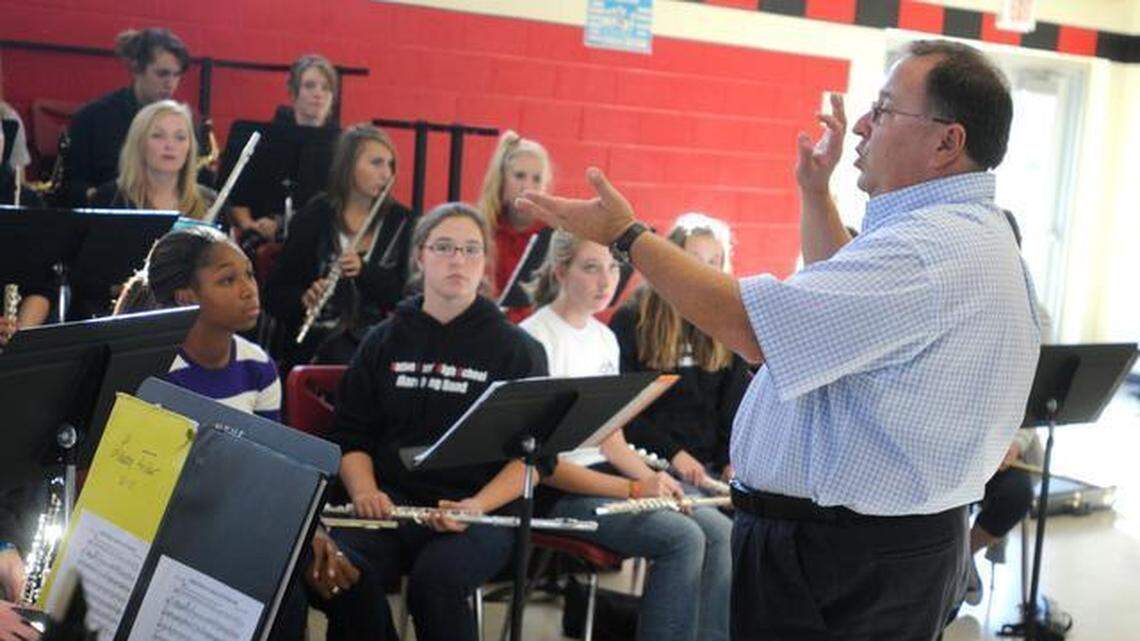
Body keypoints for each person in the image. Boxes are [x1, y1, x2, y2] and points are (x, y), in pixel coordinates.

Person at [518, 39, 1041, 640]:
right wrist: (816, 193)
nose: (865, 124)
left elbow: (752, 327)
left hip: (841, 559)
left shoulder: (924, 249)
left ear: (947, 142)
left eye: (886, 109)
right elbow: (843, 330)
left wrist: (627, 235)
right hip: (888, 544)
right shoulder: (969, 234)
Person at [112, 226, 382, 641]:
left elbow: (277, 473)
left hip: (250, 526)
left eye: (249, 275)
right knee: (283, 602)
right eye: (227, 280)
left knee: (355, 582)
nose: (248, 289)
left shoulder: (257, 364)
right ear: (187, 296)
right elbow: (150, 490)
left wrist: (311, 536)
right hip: (179, 531)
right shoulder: (156, 370)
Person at [326, 202, 548, 641]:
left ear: (485, 262)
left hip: (478, 513)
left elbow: (537, 460)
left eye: (471, 249)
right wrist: (365, 491)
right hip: (390, 506)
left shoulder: (517, 349)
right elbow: (351, 435)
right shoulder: (382, 340)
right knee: (340, 570)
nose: (457, 260)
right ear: (420, 256)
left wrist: (477, 506)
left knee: (437, 582)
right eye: (444, 247)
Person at [521, 231, 731, 641]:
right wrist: (635, 487)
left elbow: (611, 439)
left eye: (613, 267)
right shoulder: (534, 339)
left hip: (612, 481)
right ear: (561, 271)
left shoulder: (602, 338)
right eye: (591, 267)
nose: (606, 280)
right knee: (684, 539)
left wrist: (658, 482)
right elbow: (545, 466)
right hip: (563, 493)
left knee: (722, 531)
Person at [609, 214, 751, 487]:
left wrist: (729, 461)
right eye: (694, 260)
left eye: (714, 262)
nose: (705, 271)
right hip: (652, 465)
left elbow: (733, 407)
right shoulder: (631, 319)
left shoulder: (727, 323)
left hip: (709, 469)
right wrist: (674, 455)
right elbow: (625, 412)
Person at [265, 124, 413, 369]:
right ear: (349, 165)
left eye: (390, 165)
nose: (386, 174)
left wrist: (365, 272)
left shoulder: (403, 222)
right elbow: (275, 294)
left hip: (382, 344)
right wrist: (304, 298)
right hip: (317, 343)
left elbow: (408, 296)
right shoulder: (315, 216)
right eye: (376, 163)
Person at [65, 28, 191, 206]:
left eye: (176, 75)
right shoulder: (93, 117)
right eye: (162, 74)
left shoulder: (183, 122)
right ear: (136, 68)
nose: (170, 83)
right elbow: (71, 187)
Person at [230, 54, 340, 244]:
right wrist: (251, 225)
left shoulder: (342, 146)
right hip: (267, 240)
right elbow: (239, 197)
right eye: (309, 86)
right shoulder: (266, 140)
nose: (318, 94)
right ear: (293, 92)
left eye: (326, 88)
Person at [88, 100, 218, 219]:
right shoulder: (108, 199)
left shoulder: (210, 202)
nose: (170, 145)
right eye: (158, 136)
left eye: (180, 137)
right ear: (139, 143)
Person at [476, 130, 552, 321]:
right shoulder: (482, 228)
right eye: (519, 176)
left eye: (536, 179)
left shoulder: (552, 234)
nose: (527, 187)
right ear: (501, 179)